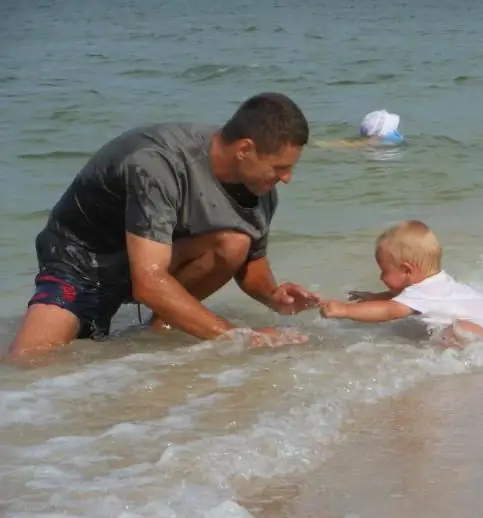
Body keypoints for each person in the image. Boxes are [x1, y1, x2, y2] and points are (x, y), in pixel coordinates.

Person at [8, 92, 320, 359]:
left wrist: (272, 295)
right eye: (280, 167)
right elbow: (148, 281)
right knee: (29, 362)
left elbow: (250, 258)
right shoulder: (156, 163)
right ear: (244, 150)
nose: (287, 178)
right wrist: (238, 337)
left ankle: (155, 335)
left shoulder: (261, 189)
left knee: (234, 243)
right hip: (81, 263)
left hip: (156, 260)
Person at [319, 220, 483, 345]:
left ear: (407, 269)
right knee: (453, 331)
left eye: (384, 271)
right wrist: (374, 298)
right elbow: (399, 299)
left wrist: (345, 310)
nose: (381, 278)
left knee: (456, 331)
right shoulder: (437, 284)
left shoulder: (423, 294)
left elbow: (390, 311)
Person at [316, 109, 404, 148]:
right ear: (379, 135)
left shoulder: (370, 141)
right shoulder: (372, 142)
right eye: (392, 129)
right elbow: (348, 145)